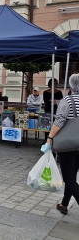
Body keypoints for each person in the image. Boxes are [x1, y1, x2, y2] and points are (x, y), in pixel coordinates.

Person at [46, 73, 79, 216]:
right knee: (72, 175)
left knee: (69, 178)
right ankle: (64, 204)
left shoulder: (67, 100)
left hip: (69, 144)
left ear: (71, 85)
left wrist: (50, 137)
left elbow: (59, 121)